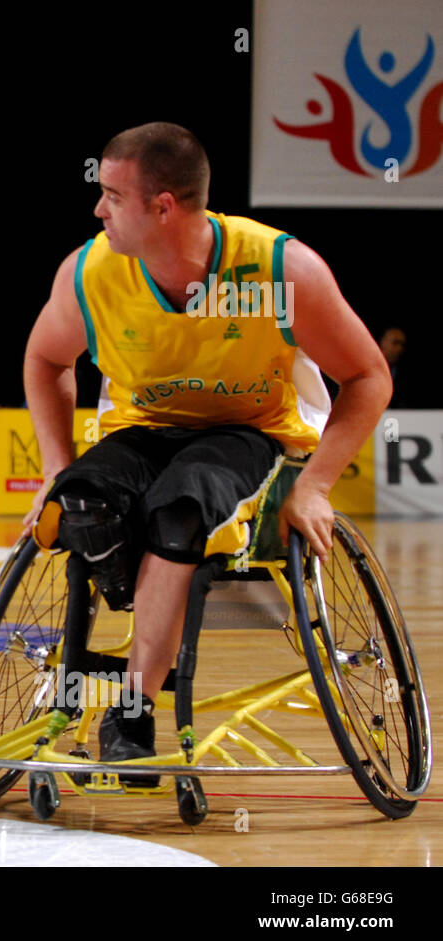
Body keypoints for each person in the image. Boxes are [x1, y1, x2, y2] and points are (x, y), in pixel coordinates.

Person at [22, 123, 391, 776]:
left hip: (249, 432)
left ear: (162, 206)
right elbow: (47, 358)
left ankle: (132, 711)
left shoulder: (281, 270)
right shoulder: (90, 272)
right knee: (80, 498)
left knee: (179, 513)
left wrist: (315, 487)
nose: (98, 208)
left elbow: (368, 377)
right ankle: (136, 589)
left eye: (112, 194)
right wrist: (54, 469)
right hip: (144, 426)